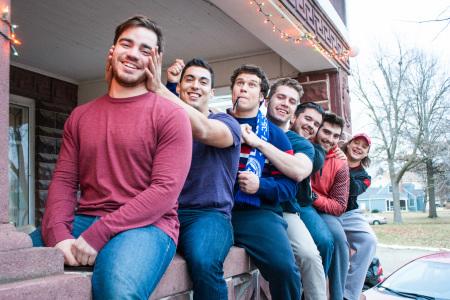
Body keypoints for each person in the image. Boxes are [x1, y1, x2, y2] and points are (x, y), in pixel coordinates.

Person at [30, 15, 193, 300]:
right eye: (126, 44)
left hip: (148, 226)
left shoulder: (172, 115)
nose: (133, 54)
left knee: (116, 288)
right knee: (11, 260)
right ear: (112, 50)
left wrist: (98, 234)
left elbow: (164, 192)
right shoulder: (81, 115)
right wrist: (59, 236)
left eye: (145, 50)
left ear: (156, 60)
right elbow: (65, 181)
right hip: (86, 218)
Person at [153, 57, 241, 300]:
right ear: (178, 87)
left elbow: (202, 130)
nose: (195, 85)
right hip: (163, 214)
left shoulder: (226, 123)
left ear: (211, 92)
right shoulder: (164, 125)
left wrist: (159, 88)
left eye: (203, 82)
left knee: (204, 262)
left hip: (208, 216)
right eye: (189, 79)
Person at [240, 78, 328, 300]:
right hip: (242, 208)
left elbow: (299, 171)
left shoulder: (298, 142)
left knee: (309, 254)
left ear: (295, 109)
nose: (285, 104)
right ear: (267, 100)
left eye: (291, 101)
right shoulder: (245, 125)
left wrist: (260, 144)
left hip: (284, 208)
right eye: (280, 97)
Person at [228, 65, 301, 299]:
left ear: (261, 97)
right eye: (240, 83)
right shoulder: (214, 123)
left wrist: (261, 186)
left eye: (251, 85)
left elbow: (290, 187)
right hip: (214, 210)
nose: (244, 88)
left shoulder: (274, 135)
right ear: (232, 90)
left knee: (285, 270)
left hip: (257, 213)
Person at [311, 112, 350, 300]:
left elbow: (339, 205)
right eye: (326, 132)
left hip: (323, 209)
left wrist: (314, 197)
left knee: (339, 240)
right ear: (318, 128)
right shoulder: (304, 146)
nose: (330, 139)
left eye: (336, 136)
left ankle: (337, 295)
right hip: (299, 205)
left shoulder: (341, 164)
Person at [341, 133, 377, 300]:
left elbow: (353, 190)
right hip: (326, 210)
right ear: (348, 144)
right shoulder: (330, 157)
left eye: (364, 146)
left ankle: (349, 294)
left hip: (349, 213)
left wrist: (340, 163)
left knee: (369, 241)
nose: (359, 147)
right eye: (356, 143)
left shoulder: (365, 177)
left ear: (366, 153)